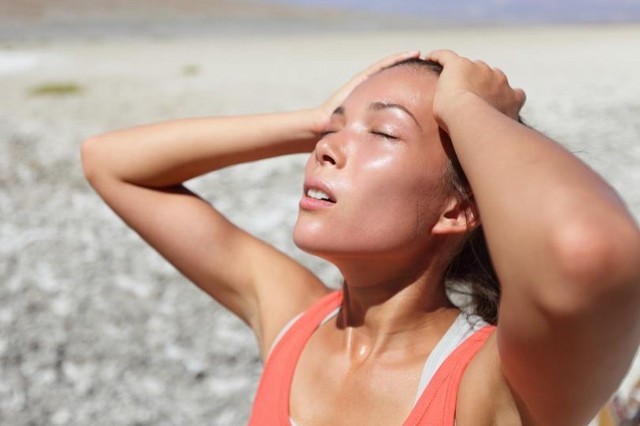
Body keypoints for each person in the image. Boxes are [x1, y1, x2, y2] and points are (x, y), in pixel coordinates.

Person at [81, 49, 640, 425]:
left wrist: (468, 106)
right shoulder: (295, 323)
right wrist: (312, 120)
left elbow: (586, 248)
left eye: (384, 132)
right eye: (333, 129)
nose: (325, 149)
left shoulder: (491, 382)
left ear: (458, 208)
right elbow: (109, 163)